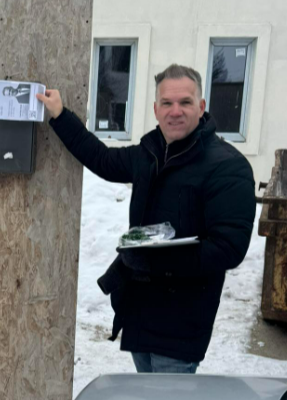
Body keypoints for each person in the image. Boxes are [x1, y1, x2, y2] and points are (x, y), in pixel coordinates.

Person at [36, 64, 256, 374]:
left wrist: (155, 260)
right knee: (145, 398)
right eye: (167, 103)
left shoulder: (227, 166)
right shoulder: (149, 154)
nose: (175, 111)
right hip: (140, 313)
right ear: (156, 109)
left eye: (185, 102)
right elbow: (102, 159)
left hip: (181, 325)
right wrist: (60, 116)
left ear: (201, 106)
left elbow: (229, 247)